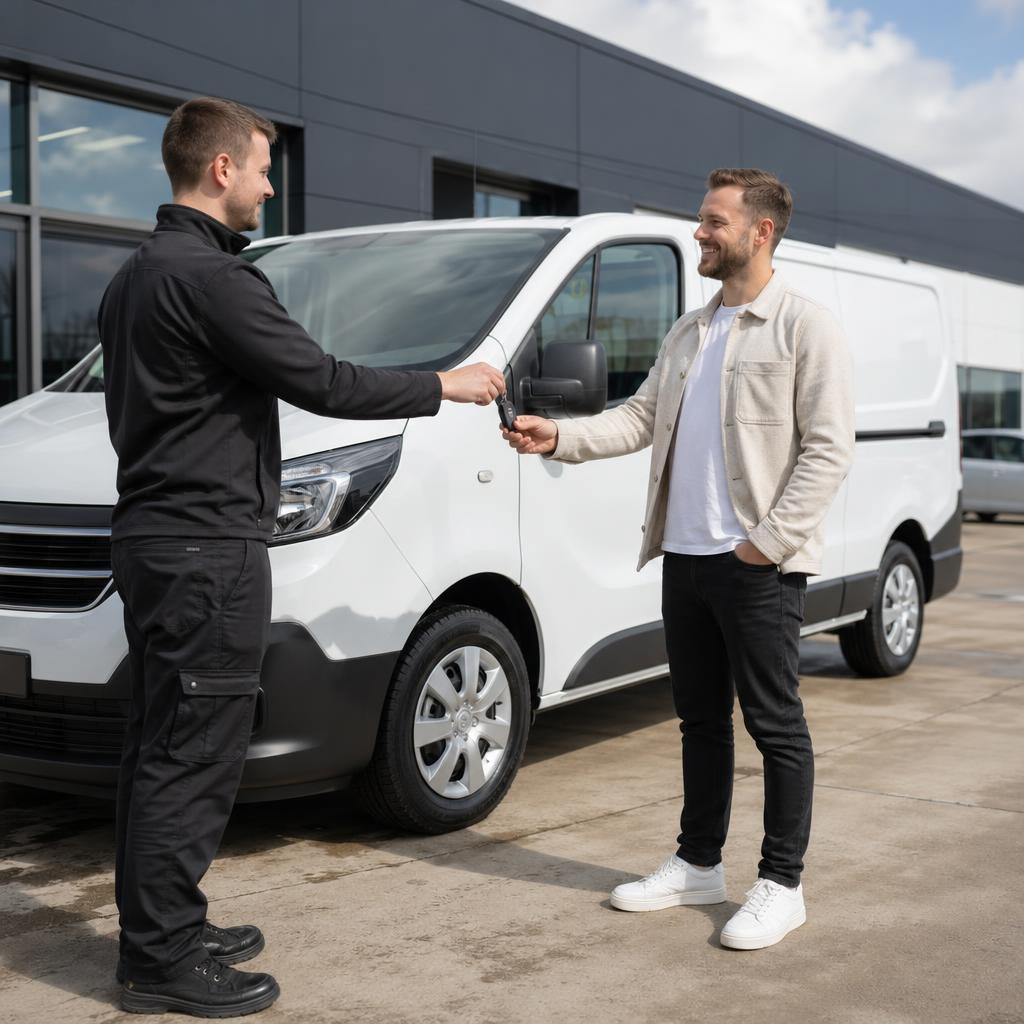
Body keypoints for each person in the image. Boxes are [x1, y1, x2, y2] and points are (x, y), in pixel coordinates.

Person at [99, 96, 505, 1017]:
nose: (271, 184)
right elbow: (321, 380)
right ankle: (160, 960)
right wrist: (445, 384)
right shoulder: (215, 279)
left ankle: (163, 925)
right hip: (208, 549)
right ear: (220, 172)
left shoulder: (134, 276)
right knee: (194, 754)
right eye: (262, 167)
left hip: (156, 539)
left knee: (159, 745)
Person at [503, 168, 854, 950]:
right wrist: (560, 436)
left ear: (759, 232)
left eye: (713, 221)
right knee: (700, 721)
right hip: (684, 557)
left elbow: (829, 451)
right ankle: (700, 864)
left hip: (757, 564)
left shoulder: (805, 325)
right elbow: (639, 419)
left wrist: (764, 544)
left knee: (776, 726)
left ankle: (782, 884)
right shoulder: (690, 331)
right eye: (702, 219)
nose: (700, 232)